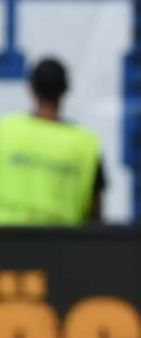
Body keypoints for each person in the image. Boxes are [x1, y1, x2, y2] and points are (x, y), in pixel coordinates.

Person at [0, 57, 104, 225]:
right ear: (66, 89)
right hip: (62, 244)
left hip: (7, 242)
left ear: (31, 88)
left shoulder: (4, 131)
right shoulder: (85, 144)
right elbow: (95, 214)